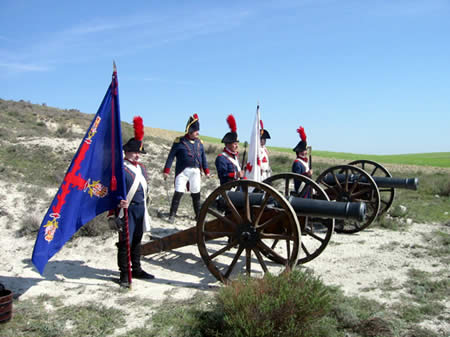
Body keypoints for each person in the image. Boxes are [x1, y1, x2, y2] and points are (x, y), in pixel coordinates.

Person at [116, 116, 154, 288]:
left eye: (139, 152)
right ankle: (124, 273)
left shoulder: (142, 168)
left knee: (137, 239)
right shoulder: (121, 169)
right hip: (127, 210)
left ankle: (136, 268)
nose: (138, 155)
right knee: (125, 242)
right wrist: (119, 202)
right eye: (134, 152)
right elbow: (113, 190)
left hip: (141, 209)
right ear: (126, 152)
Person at [163, 114, 210, 223]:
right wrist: (166, 171)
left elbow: (203, 158)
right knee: (178, 192)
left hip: (196, 171)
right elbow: (171, 157)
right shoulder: (179, 142)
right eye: (196, 131)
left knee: (196, 193)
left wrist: (206, 171)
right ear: (190, 131)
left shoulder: (200, 143)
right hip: (182, 171)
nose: (198, 133)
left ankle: (198, 215)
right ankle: (172, 215)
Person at [215, 114, 245, 185]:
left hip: (238, 188)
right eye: (234, 144)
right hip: (228, 190)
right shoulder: (221, 158)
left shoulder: (235, 157)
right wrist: (236, 174)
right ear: (227, 144)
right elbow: (222, 175)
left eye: (237, 143)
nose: (236, 146)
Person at [292, 126, 313, 194]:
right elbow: (297, 178)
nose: (306, 152)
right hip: (301, 189)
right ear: (300, 152)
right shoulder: (297, 163)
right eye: (304, 150)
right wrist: (307, 174)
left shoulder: (304, 162)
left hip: (307, 187)